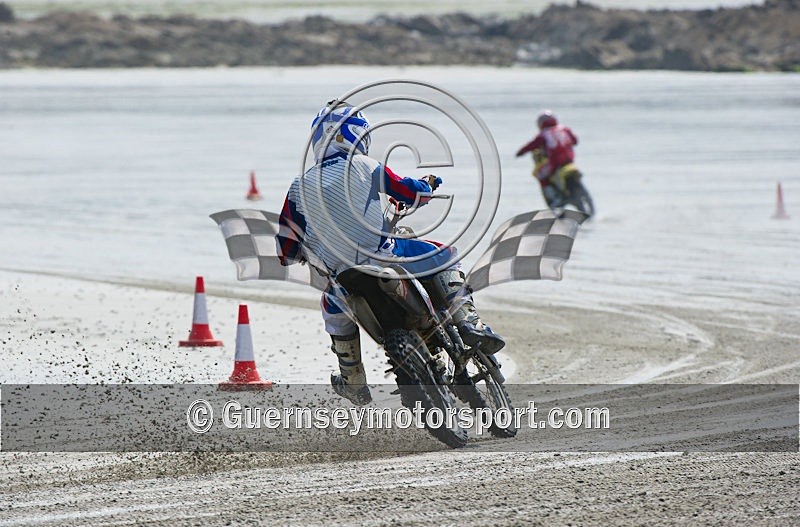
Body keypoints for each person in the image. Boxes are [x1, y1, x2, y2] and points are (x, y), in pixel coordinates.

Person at [275, 100, 504, 405]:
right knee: (446, 253)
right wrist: (427, 184)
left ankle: (353, 380)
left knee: (332, 312)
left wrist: (306, 252)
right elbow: (409, 191)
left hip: (343, 280)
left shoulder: (297, 188)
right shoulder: (366, 166)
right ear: (357, 135)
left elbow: (285, 250)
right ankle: (469, 324)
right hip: (383, 257)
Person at [516, 110, 578, 207]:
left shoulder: (543, 134)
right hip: (569, 160)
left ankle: (554, 199)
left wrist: (520, 152)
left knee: (540, 175)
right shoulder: (565, 129)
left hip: (555, 162)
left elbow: (531, 145)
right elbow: (575, 141)